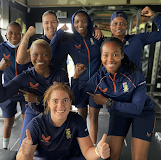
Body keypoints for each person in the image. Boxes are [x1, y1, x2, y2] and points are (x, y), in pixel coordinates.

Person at [71, 37, 156, 160]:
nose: (110, 59)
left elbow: (137, 108)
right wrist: (75, 78)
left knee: (139, 158)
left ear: (122, 55)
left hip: (143, 113)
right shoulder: (99, 77)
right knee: (111, 157)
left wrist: (108, 102)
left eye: (115, 54)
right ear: (101, 57)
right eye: (105, 55)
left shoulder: (135, 74)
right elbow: (77, 101)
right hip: (119, 113)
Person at [0, 39, 69, 150]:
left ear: (50, 55)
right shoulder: (26, 76)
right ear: (30, 56)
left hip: (57, 114)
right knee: (24, 149)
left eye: (44, 54)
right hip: (34, 112)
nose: (40, 58)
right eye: (35, 55)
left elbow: (66, 102)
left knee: (59, 149)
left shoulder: (60, 74)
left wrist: (38, 99)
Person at [50, 10, 105, 145]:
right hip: (80, 83)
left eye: (84, 21)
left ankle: (92, 146)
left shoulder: (96, 37)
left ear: (88, 23)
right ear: (73, 23)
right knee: (81, 116)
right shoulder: (70, 40)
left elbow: (107, 52)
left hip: (97, 83)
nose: (80, 24)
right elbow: (51, 52)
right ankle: (82, 145)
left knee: (94, 117)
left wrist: (96, 28)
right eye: (77, 21)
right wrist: (59, 32)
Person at [16, 82, 110, 160]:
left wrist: (98, 151)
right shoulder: (36, 125)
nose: (60, 106)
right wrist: (24, 154)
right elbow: (23, 157)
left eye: (65, 100)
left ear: (70, 103)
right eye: (55, 101)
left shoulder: (77, 120)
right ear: (48, 103)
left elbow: (87, 151)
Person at [0, 22, 30, 149]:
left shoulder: (27, 48)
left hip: (26, 92)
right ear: (6, 34)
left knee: (27, 123)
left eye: (17, 33)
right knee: (8, 122)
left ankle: (23, 148)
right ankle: (5, 149)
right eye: (11, 33)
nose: (14, 36)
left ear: (22, 35)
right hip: (8, 91)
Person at [16, 10, 102, 71]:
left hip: (61, 81)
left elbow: (81, 32)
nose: (50, 25)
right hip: (42, 83)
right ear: (42, 24)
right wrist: (27, 35)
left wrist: (94, 28)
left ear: (57, 23)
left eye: (53, 22)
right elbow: (20, 60)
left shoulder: (67, 37)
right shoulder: (39, 43)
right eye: (46, 23)